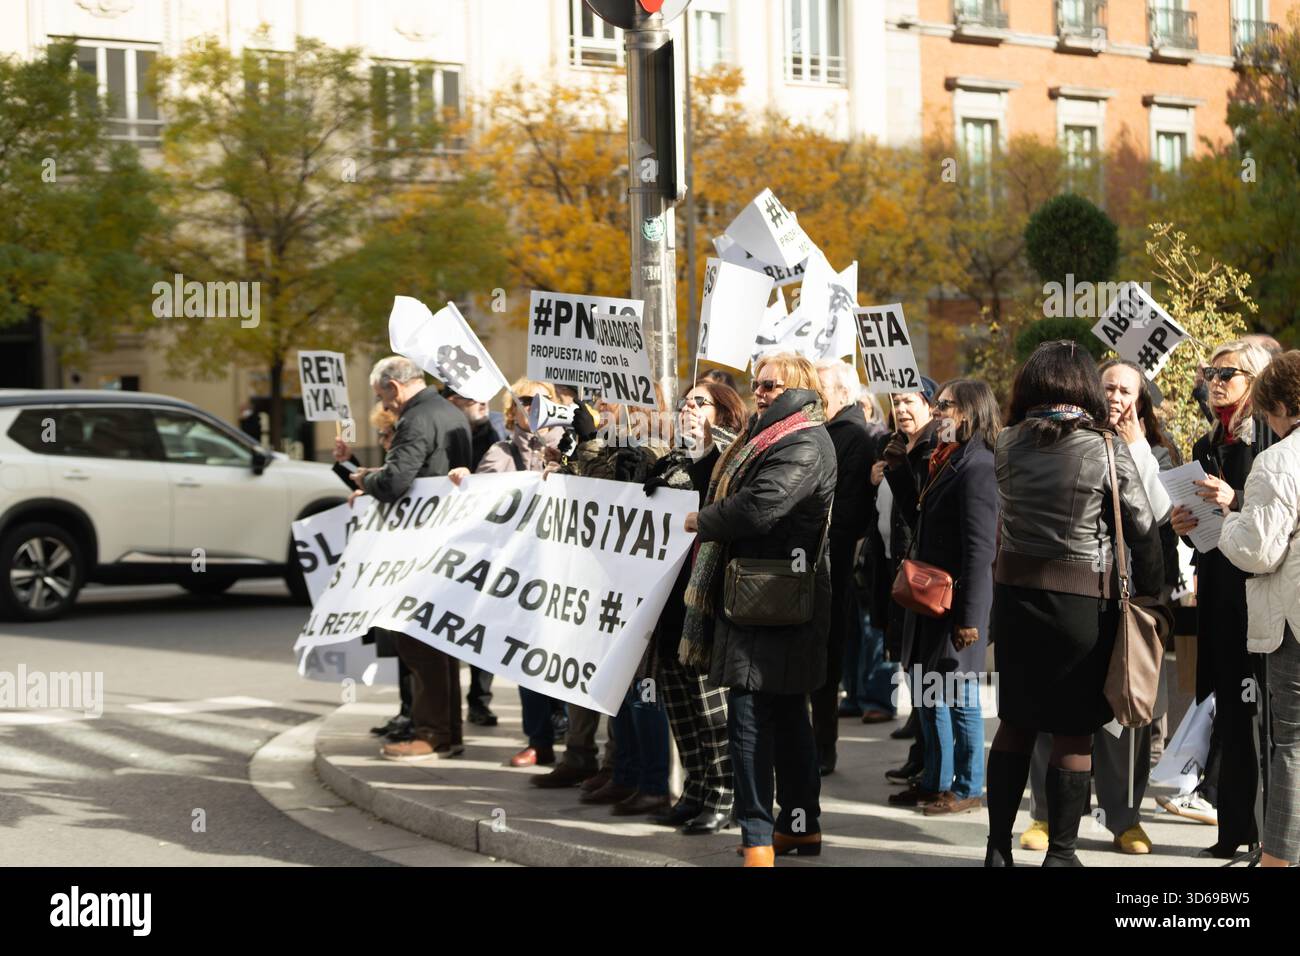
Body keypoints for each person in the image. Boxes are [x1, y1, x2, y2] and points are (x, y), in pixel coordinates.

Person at [984, 340, 1162, 866]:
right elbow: (1143, 528)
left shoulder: (1006, 442)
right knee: (1072, 731)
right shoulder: (1106, 447)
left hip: (1016, 602)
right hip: (1082, 607)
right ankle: (1061, 855)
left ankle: (997, 850)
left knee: (1015, 724)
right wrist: (1153, 595)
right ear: (1084, 385)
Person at [682, 352, 836, 867]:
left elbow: (759, 507)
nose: (759, 392)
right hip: (766, 595)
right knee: (786, 712)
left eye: (769, 385)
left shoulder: (803, 440)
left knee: (750, 714)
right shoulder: (771, 436)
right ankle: (799, 828)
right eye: (756, 384)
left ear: (796, 386)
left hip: (772, 597)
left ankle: (757, 838)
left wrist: (703, 520)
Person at [1022, 360, 1176, 854]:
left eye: (1125, 389)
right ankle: (1047, 815)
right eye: (1107, 386)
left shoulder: (1153, 452)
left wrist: (1133, 449)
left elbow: (1156, 515)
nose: (1115, 396)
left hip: (1124, 597)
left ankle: (1124, 817)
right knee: (1055, 707)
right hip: (1070, 591)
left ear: (1140, 401)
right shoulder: (1069, 437)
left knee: (1122, 712)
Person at [1170, 339, 1276, 858]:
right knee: (1230, 714)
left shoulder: (1270, 444)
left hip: (1258, 595)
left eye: (1227, 373)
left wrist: (1234, 502)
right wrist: (1185, 525)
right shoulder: (1206, 444)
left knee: (1261, 719)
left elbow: (1271, 526)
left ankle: (1267, 837)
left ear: (1255, 381)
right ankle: (1233, 833)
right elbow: (1206, 533)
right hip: (1217, 587)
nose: (1214, 380)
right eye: (1209, 371)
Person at [530, 396, 667, 793]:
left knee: (629, 684)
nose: (598, 409)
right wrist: (565, 466)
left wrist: (587, 447)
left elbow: (614, 491)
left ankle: (628, 772)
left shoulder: (652, 444)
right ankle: (600, 762)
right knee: (594, 671)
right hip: (595, 576)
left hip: (628, 583)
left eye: (608, 403)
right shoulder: (603, 444)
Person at [353, 356, 473, 762]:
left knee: (417, 640)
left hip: (419, 548)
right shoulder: (450, 414)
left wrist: (364, 479)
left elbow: (395, 481)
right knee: (439, 644)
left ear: (393, 386)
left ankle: (432, 733)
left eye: (382, 398)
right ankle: (447, 733)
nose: (385, 407)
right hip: (450, 543)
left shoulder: (416, 418)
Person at [642, 379, 746, 833]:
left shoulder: (729, 462)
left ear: (722, 413)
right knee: (679, 700)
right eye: (685, 403)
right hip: (668, 599)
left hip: (704, 601)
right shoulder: (674, 460)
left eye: (699, 403)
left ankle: (725, 795)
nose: (688, 409)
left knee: (711, 710)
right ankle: (697, 788)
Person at [449, 380, 565, 767]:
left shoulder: (571, 447)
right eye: (523, 403)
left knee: (567, 652)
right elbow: (483, 498)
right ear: (511, 411)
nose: (530, 409)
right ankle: (540, 738)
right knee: (528, 656)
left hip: (566, 570)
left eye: (538, 402)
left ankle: (573, 735)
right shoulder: (500, 451)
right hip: (523, 571)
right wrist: (467, 483)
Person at [901, 379, 999, 816]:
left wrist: (970, 617)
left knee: (958, 696)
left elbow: (981, 550)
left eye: (945, 406)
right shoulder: (946, 458)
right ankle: (936, 781)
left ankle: (968, 787)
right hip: (930, 601)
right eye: (937, 405)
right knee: (929, 690)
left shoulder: (978, 465)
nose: (937, 412)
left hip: (956, 605)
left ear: (971, 412)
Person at [1219, 350, 1300, 868]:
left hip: (1292, 617)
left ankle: (1277, 861)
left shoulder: (1278, 459)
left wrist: (1227, 519)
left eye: (1268, 409)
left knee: (1292, 743)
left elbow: (1259, 549)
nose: (1266, 421)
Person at [874, 379, 941, 795]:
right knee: (910, 665)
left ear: (930, 407)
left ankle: (935, 770)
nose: (900, 409)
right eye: (895, 402)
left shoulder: (934, 449)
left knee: (930, 678)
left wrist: (899, 469)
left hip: (925, 579)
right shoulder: (896, 447)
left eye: (909, 402)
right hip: (895, 569)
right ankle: (922, 756)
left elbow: (918, 508)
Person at [810, 360, 876, 775]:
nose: (814, 396)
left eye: (820, 389)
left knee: (824, 659)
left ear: (841, 393)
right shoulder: (826, 431)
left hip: (828, 565)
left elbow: (850, 512)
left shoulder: (851, 437)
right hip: (815, 561)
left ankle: (822, 749)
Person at [332, 405, 412, 741]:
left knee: (409, 651)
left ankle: (414, 714)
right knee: (398, 649)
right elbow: (371, 481)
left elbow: (383, 486)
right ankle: (407, 711)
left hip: (403, 572)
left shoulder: (405, 468)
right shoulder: (394, 466)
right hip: (388, 574)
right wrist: (345, 462)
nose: (381, 440)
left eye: (385, 434)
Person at [443, 386, 508, 728]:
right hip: (449, 545)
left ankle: (479, 701)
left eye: (485, 394)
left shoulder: (497, 429)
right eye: (470, 397)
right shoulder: (445, 430)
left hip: (489, 544)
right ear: (452, 403)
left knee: (484, 624)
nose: (482, 401)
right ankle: (445, 707)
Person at [841, 385, 892, 721]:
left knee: (876, 628)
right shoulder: (858, 442)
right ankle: (856, 693)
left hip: (878, 556)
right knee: (854, 627)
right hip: (858, 549)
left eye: (864, 405)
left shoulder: (884, 443)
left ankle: (878, 697)